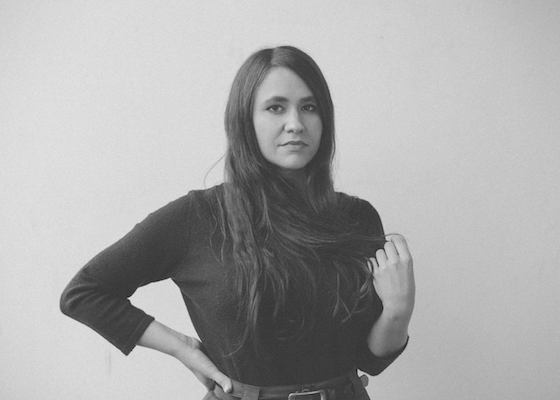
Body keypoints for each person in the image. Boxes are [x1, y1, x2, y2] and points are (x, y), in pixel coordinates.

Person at [60, 45, 415, 400]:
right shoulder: (197, 217)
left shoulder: (357, 217)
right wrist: (181, 348)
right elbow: (85, 292)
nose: (295, 123)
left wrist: (398, 310)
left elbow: (370, 359)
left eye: (309, 107)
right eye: (276, 107)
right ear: (245, 120)